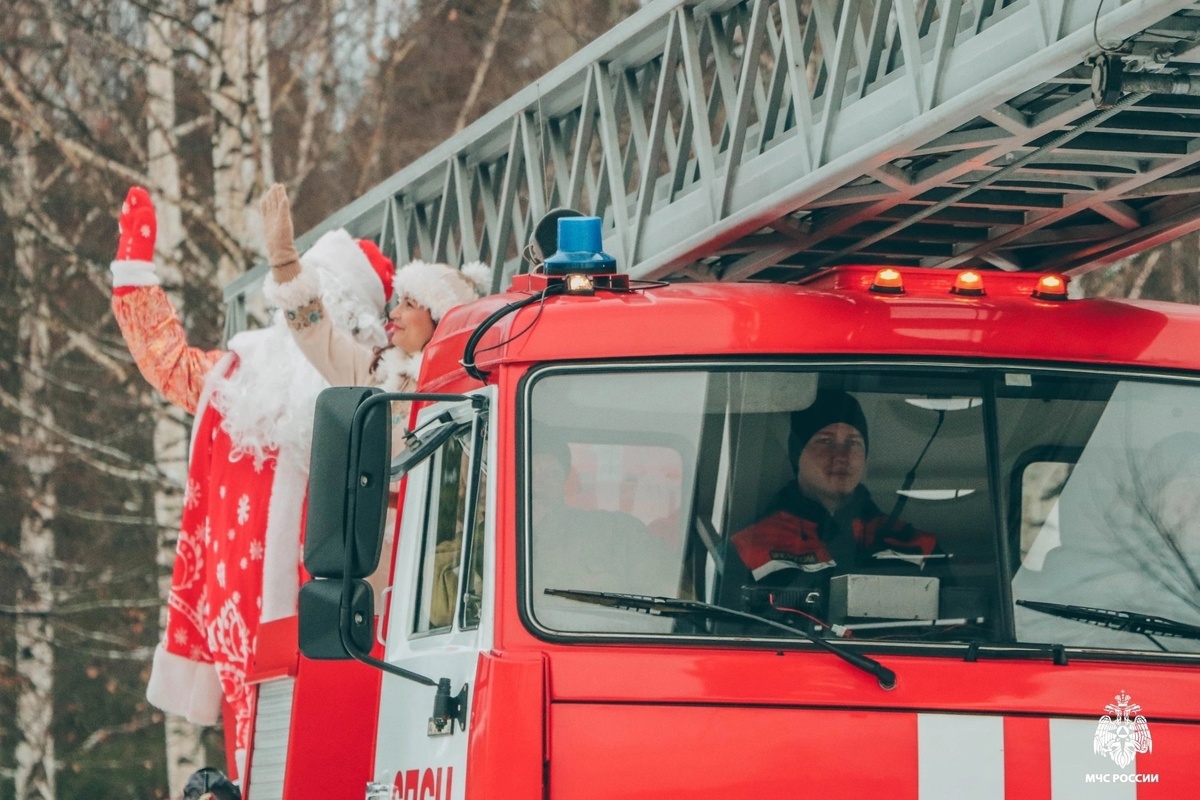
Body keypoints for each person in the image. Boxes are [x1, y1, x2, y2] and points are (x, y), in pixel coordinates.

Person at [110, 186, 393, 776]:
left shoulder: (369, 391)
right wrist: (135, 273)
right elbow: (168, 362)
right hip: (237, 623)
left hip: (332, 621)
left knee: (325, 762)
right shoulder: (237, 374)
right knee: (253, 764)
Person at [259, 183, 489, 409]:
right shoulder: (377, 376)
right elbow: (318, 336)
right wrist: (284, 263)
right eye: (399, 303)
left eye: (409, 304)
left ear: (443, 321)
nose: (394, 313)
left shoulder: (473, 390)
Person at [731, 390, 939, 595]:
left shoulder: (921, 548)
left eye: (854, 442)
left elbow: (954, 626)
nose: (842, 455)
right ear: (797, 454)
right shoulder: (748, 546)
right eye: (826, 441)